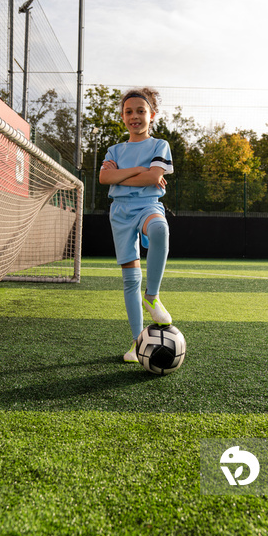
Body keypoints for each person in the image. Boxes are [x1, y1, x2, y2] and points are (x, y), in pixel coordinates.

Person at [99, 88, 174, 362]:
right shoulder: (114, 149)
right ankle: (137, 342)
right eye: (129, 111)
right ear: (122, 117)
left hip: (147, 206)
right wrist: (140, 171)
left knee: (160, 229)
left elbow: (153, 176)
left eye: (141, 111)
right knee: (130, 279)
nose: (135, 116)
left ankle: (152, 297)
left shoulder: (159, 146)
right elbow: (104, 179)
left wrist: (124, 175)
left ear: (151, 115)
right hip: (120, 213)